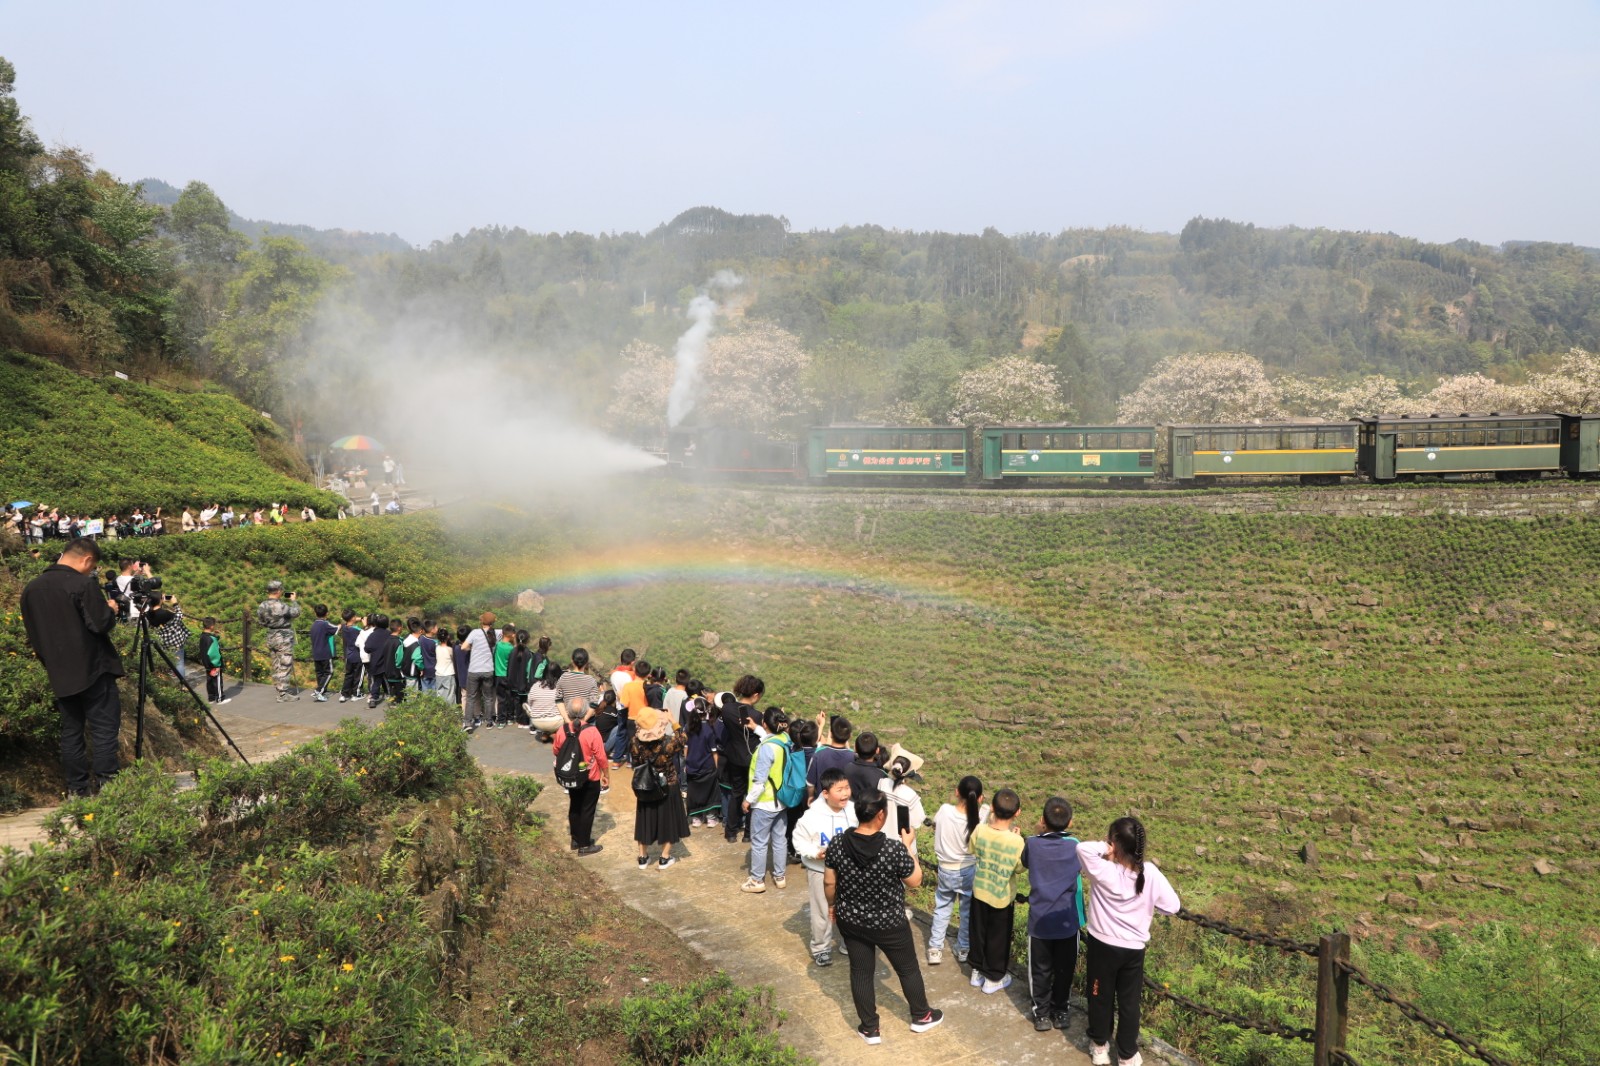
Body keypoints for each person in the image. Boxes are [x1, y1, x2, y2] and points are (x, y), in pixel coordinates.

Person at [825, 789, 943, 1044]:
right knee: (907, 969)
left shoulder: (838, 843)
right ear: (881, 815)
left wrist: (832, 905)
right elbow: (915, 881)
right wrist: (908, 846)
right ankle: (921, 1016)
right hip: (889, 923)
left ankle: (870, 1029)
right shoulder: (892, 849)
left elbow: (829, 882)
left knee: (861, 972)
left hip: (852, 919)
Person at [20, 538, 126, 796]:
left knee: (71, 732)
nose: (91, 572)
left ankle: (77, 790)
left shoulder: (31, 589)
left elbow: (34, 636)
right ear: (87, 559)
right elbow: (99, 625)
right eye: (93, 567)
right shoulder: (82, 584)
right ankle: (108, 788)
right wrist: (110, 610)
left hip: (60, 672)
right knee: (103, 730)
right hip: (94, 668)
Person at [1080, 817, 1180, 1066]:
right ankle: (1126, 1054)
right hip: (1133, 950)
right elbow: (1172, 906)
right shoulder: (1151, 873)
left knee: (1099, 996)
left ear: (1114, 844)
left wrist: (1106, 848)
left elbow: (1082, 848)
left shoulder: (1103, 869)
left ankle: (1100, 1046)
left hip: (1101, 946)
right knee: (1129, 1003)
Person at [1022, 795, 1085, 1032]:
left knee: (1039, 970)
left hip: (1039, 921)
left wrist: (1038, 832)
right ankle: (1061, 1011)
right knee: (1064, 970)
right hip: (1067, 921)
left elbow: (1026, 861)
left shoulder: (1032, 843)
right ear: (1070, 823)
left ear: (1042, 820)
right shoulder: (1076, 846)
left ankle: (1041, 1014)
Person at [792, 767, 857, 966]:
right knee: (822, 910)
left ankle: (848, 943)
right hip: (819, 870)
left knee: (850, 909)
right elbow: (798, 840)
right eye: (840, 790)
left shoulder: (854, 811)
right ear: (826, 793)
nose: (845, 793)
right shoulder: (811, 816)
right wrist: (815, 853)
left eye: (847, 788)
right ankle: (821, 948)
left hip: (849, 871)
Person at [969, 788, 1026, 995]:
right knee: (997, 939)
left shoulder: (980, 830)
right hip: (1001, 897)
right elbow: (1019, 868)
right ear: (1017, 812)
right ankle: (993, 978)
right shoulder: (1016, 841)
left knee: (978, 932)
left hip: (980, 891)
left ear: (992, 807)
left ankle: (976, 970)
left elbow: (972, 849)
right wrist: (1016, 839)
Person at [927, 775, 987, 967]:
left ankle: (935, 949)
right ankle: (963, 949)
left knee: (942, 908)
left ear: (956, 792)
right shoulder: (981, 818)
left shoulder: (944, 810)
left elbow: (936, 823)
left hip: (945, 868)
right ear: (980, 798)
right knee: (967, 912)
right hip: (968, 870)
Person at [630, 706, 688, 869]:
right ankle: (664, 857)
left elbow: (635, 762)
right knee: (668, 820)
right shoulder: (668, 742)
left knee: (644, 820)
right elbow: (683, 738)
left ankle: (643, 857)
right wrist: (672, 720)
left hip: (645, 784)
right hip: (667, 784)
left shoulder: (634, 742)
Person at [740, 707, 791, 893]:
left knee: (759, 842)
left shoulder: (765, 749)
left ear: (765, 723)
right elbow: (771, 737)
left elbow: (759, 782)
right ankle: (780, 876)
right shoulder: (785, 739)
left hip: (764, 802)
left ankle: (757, 880)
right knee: (779, 840)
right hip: (782, 801)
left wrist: (747, 800)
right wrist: (757, 728)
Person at [719, 676, 764, 842]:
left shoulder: (726, 709)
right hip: (752, 759)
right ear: (755, 695)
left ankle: (730, 832)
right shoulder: (757, 716)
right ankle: (748, 834)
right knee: (752, 795)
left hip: (734, 757)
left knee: (736, 793)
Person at [256, 580, 302, 702]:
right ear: (278, 591)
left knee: (276, 664)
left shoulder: (262, 605)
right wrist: (294, 601)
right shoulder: (281, 606)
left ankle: (280, 688)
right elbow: (296, 612)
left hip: (271, 635)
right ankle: (283, 694)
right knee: (285, 664)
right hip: (283, 637)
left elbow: (261, 622)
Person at [682, 683, 721, 825]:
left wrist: (686, 763)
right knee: (710, 791)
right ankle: (711, 817)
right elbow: (714, 752)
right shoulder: (709, 729)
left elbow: (686, 748)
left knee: (694, 792)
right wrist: (717, 768)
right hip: (707, 767)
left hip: (692, 766)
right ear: (706, 711)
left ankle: (696, 818)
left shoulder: (688, 727)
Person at [877, 744, 928, 836]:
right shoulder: (910, 795)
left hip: (880, 838)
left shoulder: (882, 784)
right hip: (902, 840)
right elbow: (917, 823)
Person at [807, 713, 855, 802]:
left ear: (831, 734)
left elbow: (810, 783)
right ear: (849, 736)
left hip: (823, 802)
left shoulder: (818, 754)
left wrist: (810, 796)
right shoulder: (854, 757)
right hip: (844, 803)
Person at [461, 612, 498, 730]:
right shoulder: (496, 633)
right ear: (493, 622)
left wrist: (473, 648)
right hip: (488, 670)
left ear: (482, 621)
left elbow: (463, 647)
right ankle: (489, 722)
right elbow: (510, 628)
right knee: (488, 697)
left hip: (474, 670)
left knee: (470, 697)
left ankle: (467, 723)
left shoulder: (475, 633)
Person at [842, 731, 887, 804]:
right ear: (877, 750)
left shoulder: (847, 768)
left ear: (855, 749)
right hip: (870, 809)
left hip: (849, 808)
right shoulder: (881, 775)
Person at [309, 604, 336, 702]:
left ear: (315, 613)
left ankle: (322, 690)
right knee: (329, 672)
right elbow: (335, 629)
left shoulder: (313, 625)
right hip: (325, 653)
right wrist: (342, 625)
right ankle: (318, 691)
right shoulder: (325, 624)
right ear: (327, 613)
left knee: (320, 673)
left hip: (316, 652)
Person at [198, 617, 229, 704]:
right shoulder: (212, 639)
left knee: (210, 681)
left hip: (207, 663)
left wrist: (215, 636)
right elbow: (214, 653)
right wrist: (217, 665)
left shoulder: (203, 636)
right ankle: (220, 699)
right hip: (214, 664)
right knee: (217, 681)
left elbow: (208, 646)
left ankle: (211, 698)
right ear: (212, 626)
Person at [491, 625, 517, 728]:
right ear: (512, 635)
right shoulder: (511, 648)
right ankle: (510, 718)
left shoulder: (497, 645)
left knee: (501, 699)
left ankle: (501, 721)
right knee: (510, 697)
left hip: (498, 676)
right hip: (509, 676)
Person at [338, 610, 365, 703]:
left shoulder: (344, 627)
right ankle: (356, 694)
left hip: (348, 656)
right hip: (358, 656)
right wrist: (365, 624)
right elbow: (366, 634)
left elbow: (347, 622)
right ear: (353, 618)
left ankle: (344, 694)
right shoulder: (357, 630)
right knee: (358, 676)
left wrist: (360, 618)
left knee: (348, 675)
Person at [434, 624, 458, 705]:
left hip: (438, 674)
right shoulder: (450, 649)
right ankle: (450, 710)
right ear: (448, 637)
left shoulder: (437, 648)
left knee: (439, 693)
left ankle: (440, 709)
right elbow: (453, 659)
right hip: (448, 673)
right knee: (450, 694)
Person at [416, 620, 438, 692]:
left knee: (425, 690)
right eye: (436, 627)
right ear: (432, 630)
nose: (437, 628)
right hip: (434, 670)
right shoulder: (435, 642)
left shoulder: (421, 639)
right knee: (434, 691)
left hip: (424, 669)